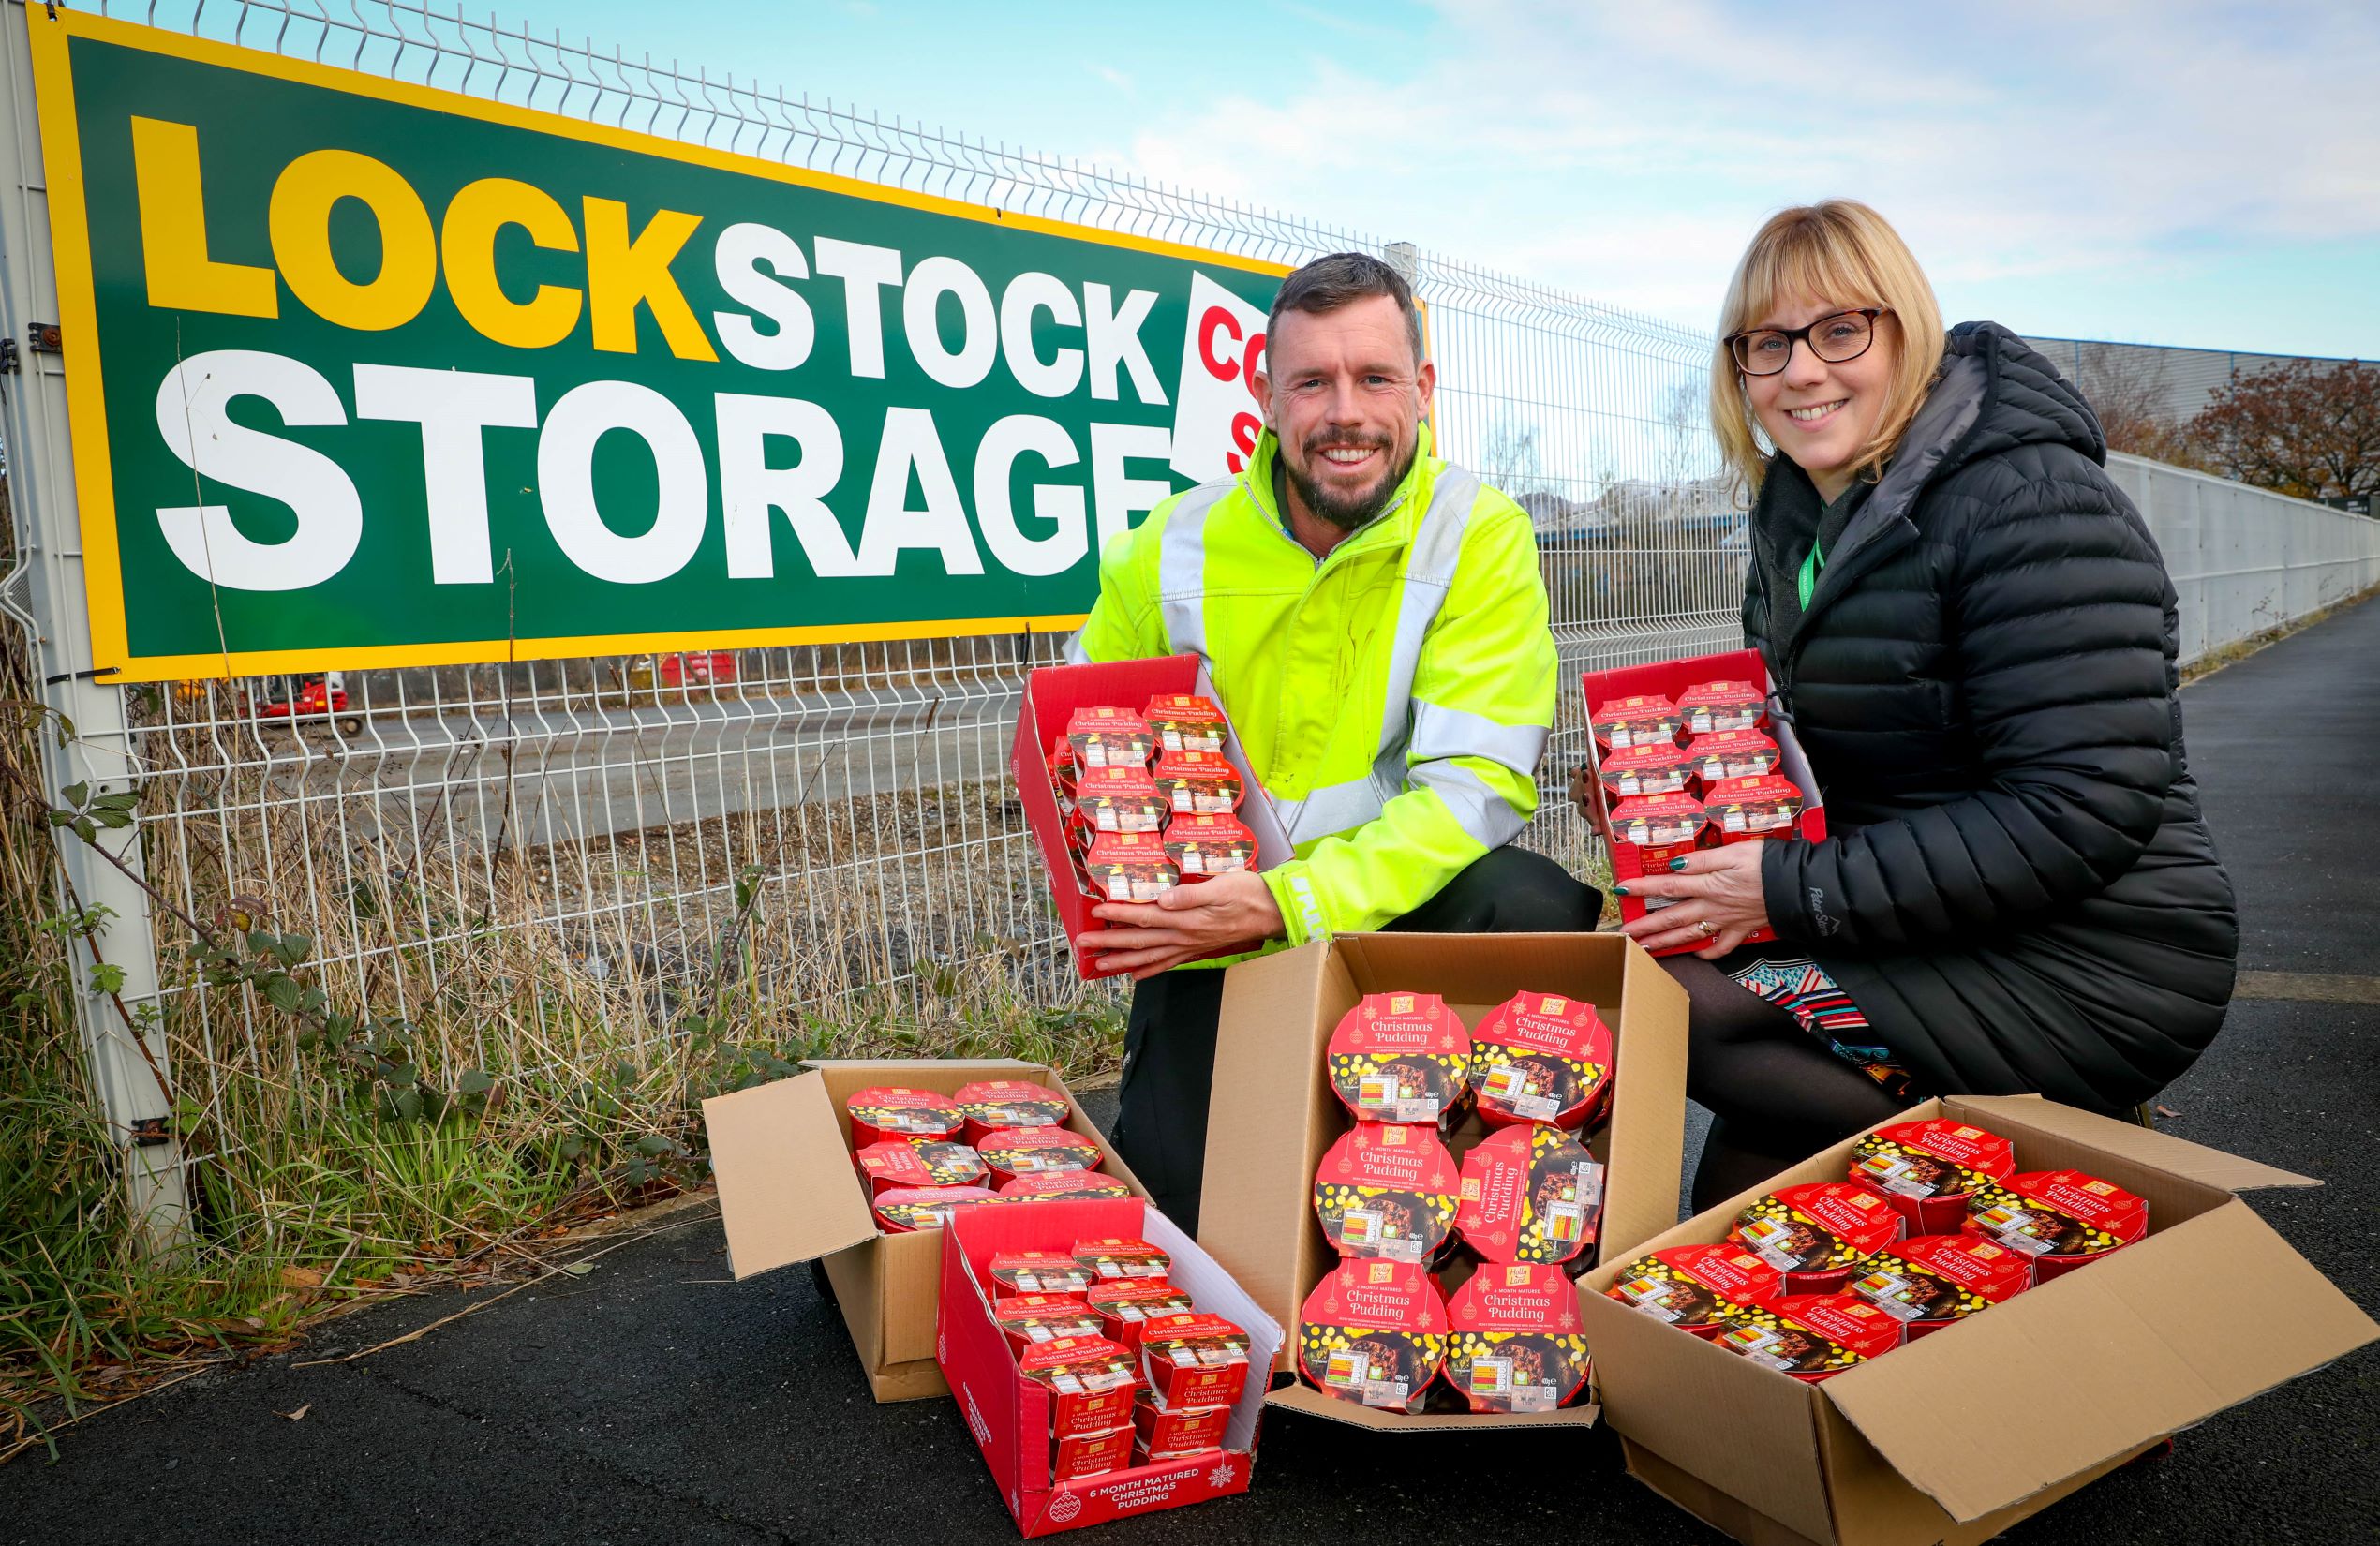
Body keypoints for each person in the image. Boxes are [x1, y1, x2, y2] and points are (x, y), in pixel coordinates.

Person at [1613, 201, 2238, 1212]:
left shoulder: (2029, 501)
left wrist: (1782, 891)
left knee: (1673, 1009)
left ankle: (2040, 1183)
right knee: (1749, 1125)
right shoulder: (1799, 523)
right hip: (1920, 921)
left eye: (1838, 330)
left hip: (2092, 956)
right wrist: (1689, 827)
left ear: (1907, 332)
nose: (1801, 371)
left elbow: (2080, 807)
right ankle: (1855, 1280)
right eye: (1765, 344)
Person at [1068, 251, 1599, 1231]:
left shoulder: (1475, 536)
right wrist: (1135, 894)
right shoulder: (1168, 546)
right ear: (1264, 395)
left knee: (1528, 899)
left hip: (1388, 916)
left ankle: (1454, 1137)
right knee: (1195, 1233)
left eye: (1374, 378)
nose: (1343, 412)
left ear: (1423, 392)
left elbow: (1474, 786)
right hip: (1215, 944)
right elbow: (1083, 752)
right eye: (1311, 381)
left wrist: (1284, 900)